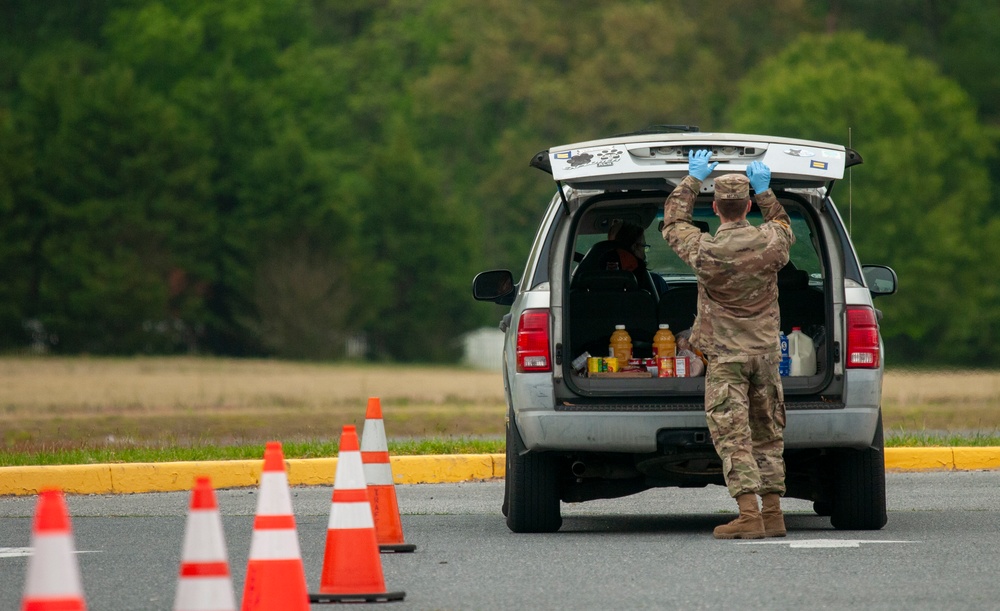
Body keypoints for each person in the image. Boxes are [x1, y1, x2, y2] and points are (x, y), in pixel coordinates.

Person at [660, 150, 794, 539]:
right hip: (766, 356)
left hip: (726, 359)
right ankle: (773, 514)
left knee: (734, 436)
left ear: (716, 207)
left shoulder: (706, 251)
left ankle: (749, 516)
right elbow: (782, 223)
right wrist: (768, 193)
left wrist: (690, 181)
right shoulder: (773, 244)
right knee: (767, 433)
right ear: (748, 204)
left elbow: (673, 224)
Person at [602, 220, 669, 296]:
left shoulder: (593, 282)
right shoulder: (655, 282)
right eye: (644, 246)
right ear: (635, 247)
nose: (644, 251)